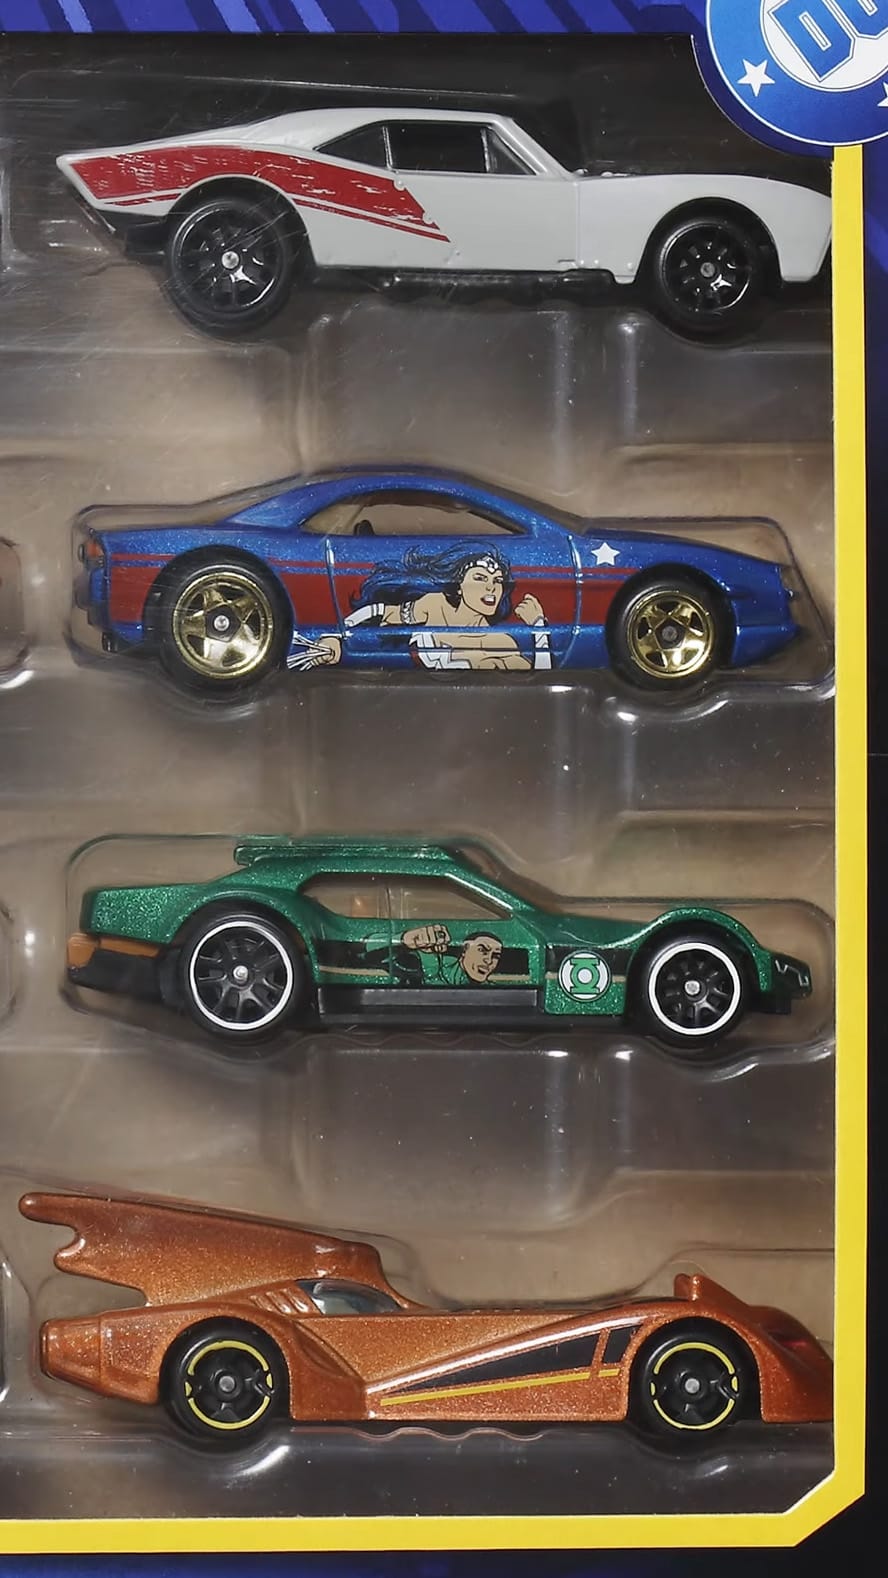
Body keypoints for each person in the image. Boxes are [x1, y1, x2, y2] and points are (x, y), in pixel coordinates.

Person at [297, 543, 551, 671]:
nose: (491, 588)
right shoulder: (434, 605)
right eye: (480, 578)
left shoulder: (503, 642)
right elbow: (379, 612)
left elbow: (540, 670)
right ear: (458, 585)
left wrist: (539, 628)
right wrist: (336, 637)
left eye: (497, 581)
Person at [400, 925, 504, 985]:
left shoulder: (492, 990)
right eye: (482, 950)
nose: (489, 960)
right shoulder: (440, 966)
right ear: (465, 949)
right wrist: (404, 939)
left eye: (496, 956)